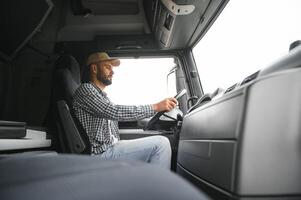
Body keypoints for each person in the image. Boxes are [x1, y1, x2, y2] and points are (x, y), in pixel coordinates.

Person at [73, 52, 178, 169]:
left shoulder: (103, 97)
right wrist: (156, 107)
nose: (112, 72)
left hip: (110, 147)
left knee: (157, 144)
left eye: (112, 68)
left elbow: (114, 114)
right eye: (107, 67)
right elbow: (114, 111)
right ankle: (160, 187)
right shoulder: (86, 89)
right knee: (161, 144)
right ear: (94, 68)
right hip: (98, 154)